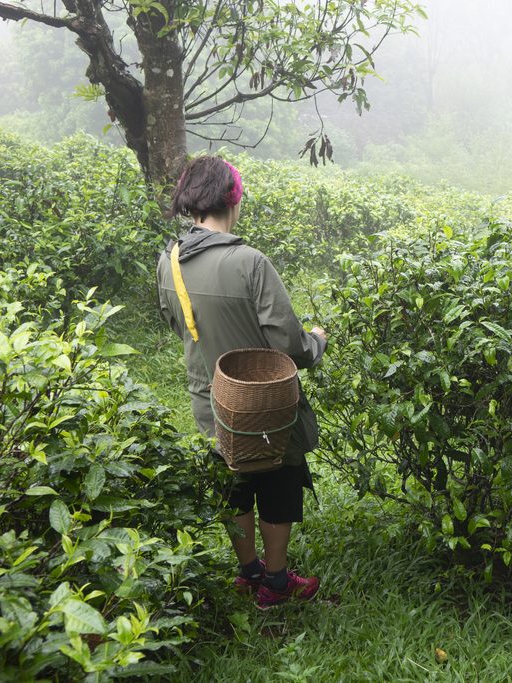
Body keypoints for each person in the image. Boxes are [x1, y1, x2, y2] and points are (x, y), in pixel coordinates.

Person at [155, 156, 327, 610]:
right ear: (235, 197)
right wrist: (316, 343)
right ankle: (274, 581)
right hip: (264, 404)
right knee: (278, 482)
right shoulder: (250, 262)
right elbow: (288, 344)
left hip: (209, 397)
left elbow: (177, 324)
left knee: (233, 479)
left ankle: (248, 571)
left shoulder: (168, 260)